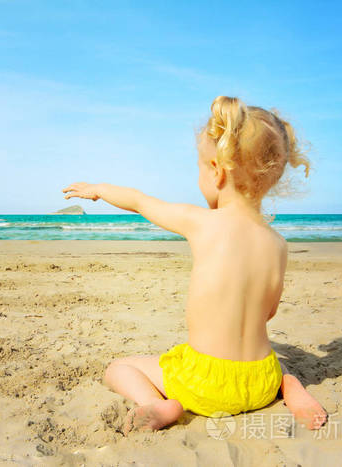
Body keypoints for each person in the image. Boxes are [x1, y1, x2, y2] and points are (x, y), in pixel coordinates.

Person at [62, 95, 327, 434]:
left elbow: (141, 202)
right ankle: (290, 387)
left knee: (119, 368)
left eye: (200, 169)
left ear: (216, 171)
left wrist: (99, 190)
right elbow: (269, 312)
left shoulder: (201, 222)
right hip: (261, 381)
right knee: (279, 365)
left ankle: (156, 404)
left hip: (202, 385)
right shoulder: (278, 244)